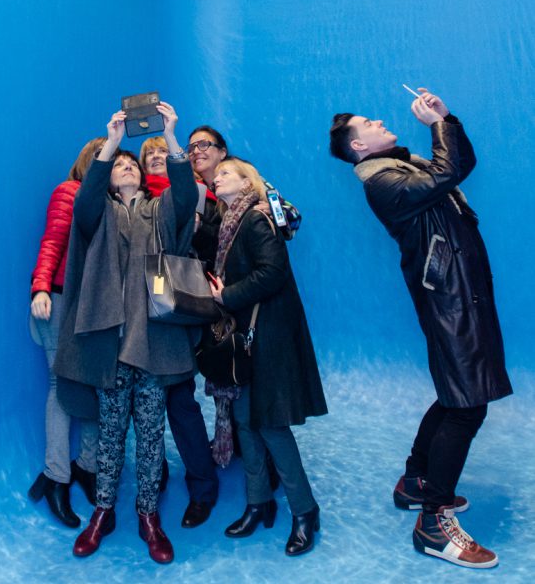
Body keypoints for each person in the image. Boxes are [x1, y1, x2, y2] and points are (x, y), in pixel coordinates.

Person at [329, 89, 512, 570]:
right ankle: (434, 524)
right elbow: (450, 170)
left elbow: (454, 163)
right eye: (368, 122)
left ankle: (415, 481)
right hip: (448, 299)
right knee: (466, 406)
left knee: (459, 392)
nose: (379, 121)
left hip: (460, 294)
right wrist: (438, 125)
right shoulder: (382, 182)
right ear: (359, 148)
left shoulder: (403, 166)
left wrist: (446, 119)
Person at [54, 103, 198, 564]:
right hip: (112, 347)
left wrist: (172, 134)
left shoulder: (159, 211)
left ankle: (149, 517)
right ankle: (102, 513)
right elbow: (86, 200)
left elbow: (188, 197)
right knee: (113, 436)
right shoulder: (100, 214)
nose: (125, 168)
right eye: (118, 166)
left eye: (130, 163)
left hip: (153, 346)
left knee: (153, 438)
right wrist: (113, 141)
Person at [208, 157, 327, 557]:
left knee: (272, 426)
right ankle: (259, 503)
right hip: (247, 340)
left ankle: (305, 511)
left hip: (267, 339)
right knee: (245, 422)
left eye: (226, 172)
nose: (217, 175)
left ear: (247, 182)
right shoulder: (230, 221)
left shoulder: (256, 218)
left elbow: (273, 272)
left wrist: (226, 295)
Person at [138, 135, 220, 528]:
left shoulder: (184, 193)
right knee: (148, 409)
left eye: (162, 154)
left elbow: (185, 195)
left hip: (171, 310)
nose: (155, 159)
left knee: (181, 406)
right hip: (138, 321)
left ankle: (203, 487)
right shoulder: (133, 201)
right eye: (148, 155)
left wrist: (171, 138)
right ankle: (156, 477)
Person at [27, 138, 102, 527]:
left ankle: (87, 466)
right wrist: (40, 287)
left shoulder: (111, 204)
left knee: (91, 385)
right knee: (62, 385)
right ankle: (57, 477)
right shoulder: (69, 191)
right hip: (57, 300)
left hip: (92, 308)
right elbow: (52, 240)